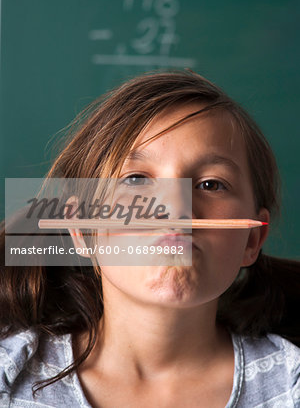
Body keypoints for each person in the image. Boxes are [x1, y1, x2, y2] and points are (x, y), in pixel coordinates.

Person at [0, 70, 299, 407]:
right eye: (137, 179)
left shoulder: (291, 385)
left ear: (252, 239)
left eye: (210, 184)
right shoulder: (9, 376)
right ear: (82, 230)